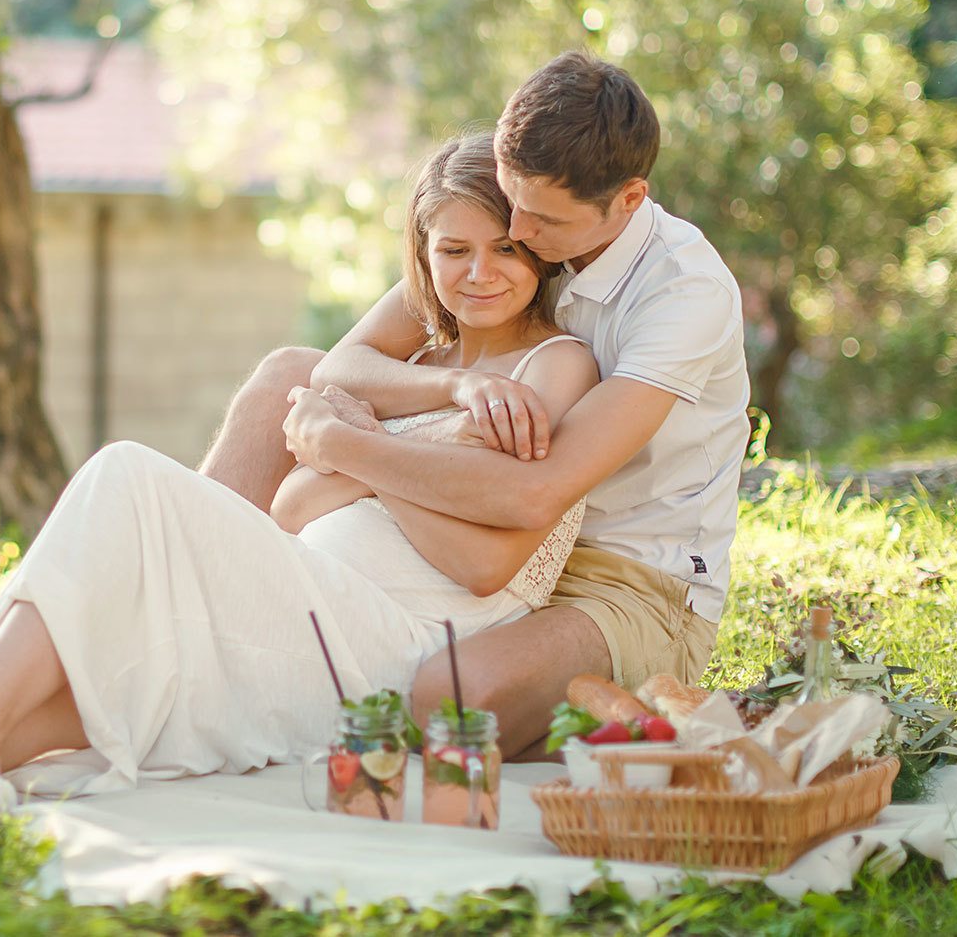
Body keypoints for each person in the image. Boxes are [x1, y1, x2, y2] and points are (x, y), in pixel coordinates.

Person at [0, 134, 599, 797]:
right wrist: (387, 449)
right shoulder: (424, 368)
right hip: (306, 599)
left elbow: (485, 554)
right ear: (421, 259)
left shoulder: (553, 363)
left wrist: (354, 450)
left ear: (538, 251)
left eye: (507, 249)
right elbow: (297, 502)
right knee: (88, 676)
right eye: (454, 250)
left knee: (127, 479)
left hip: (395, 638)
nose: (481, 272)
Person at [199, 51, 749, 760]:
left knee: (450, 702)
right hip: (487, 520)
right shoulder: (517, 217)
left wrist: (348, 449)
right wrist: (457, 385)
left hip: (626, 575)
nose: (514, 227)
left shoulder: (682, 294)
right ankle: (192, 575)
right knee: (289, 374)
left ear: (629, 200)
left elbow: (536, 493)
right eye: (510, 197)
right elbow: (344, 361)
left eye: (537, 218)